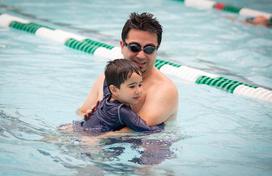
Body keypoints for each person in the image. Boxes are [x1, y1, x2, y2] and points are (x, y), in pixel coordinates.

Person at [78, 12, 178, 132]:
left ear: (157, 50)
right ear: (122, 46)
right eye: (134, 47)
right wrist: (89, 117)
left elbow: (133, 131)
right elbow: (81, 111)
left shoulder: (163, 90)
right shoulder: (107, 77)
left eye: (149, 49)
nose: (141, 56)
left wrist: (90, 137)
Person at [73, 59, 165, 135]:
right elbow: (144, 129)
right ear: (114, 90)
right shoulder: (121, 111)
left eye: (140, 84)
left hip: (81, 129)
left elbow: (106, 82)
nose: (138, 91)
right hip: (92, 141)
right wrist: (162, 125)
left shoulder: (108, 96)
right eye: (132, 86)